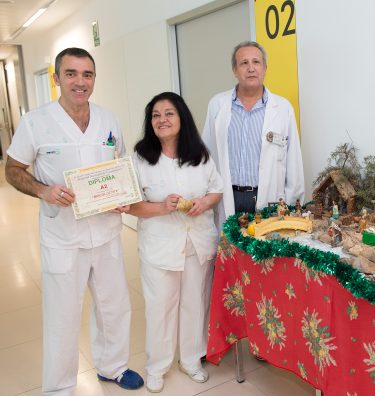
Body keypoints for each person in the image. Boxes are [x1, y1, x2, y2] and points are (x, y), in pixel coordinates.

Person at [4, 47, 143, 395]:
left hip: (107, 233)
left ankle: (113, 367)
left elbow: (118, 163)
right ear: (56, 79)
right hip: (63, 236)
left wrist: (123, 195)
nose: (80, 82)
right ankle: (60, 387)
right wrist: (43, 190)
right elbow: (13, 170)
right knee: (63, 316)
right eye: (71, 74)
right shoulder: (36, 122)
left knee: (114, 306)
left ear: (94, 79)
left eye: (87, 74)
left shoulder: (108, 119)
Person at [128, 92, 223, 393]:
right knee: (160, 307)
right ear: (150, 122)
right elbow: (131, 205)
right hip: (160, 245)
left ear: (181, 118)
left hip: (197, 242)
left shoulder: (200, 154)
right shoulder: (140, 158)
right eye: (156, 115)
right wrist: (162, 207)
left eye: (169, 113)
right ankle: (158, 366)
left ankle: (192, 360)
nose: (162, 120)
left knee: (195, 303)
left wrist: (203, 203)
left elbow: (216, 190)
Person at [203, 41, 305, 227]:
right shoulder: (217, 105)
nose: (251, 68)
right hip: (228, 197)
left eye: (256, 62)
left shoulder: (282, 108)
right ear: (234, 70)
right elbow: (206, 155)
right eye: (244, 63)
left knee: (264, 254)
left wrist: (292, 205)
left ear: (265, 68)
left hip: (268, 198)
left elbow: (294, 162)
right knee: (230, 253)